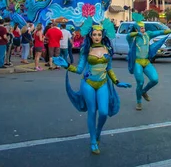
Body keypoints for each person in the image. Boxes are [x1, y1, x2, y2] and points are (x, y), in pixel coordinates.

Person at [52, 18, 131, 155]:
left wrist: (117, 82)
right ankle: (93, 140)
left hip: (102, 83)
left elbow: (109, 69)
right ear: (90, 35)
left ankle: (98, 133)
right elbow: (79, 69)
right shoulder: (85, 50)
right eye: (94, 34)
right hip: (88, 83)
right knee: (92, 111)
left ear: (103, 35)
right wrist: (66, 66)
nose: (96, 37)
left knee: (104, 112)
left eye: (99, 34)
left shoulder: (108, 48)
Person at [126, 16, 171, 111]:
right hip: (137, 62)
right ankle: (139, 101)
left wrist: (170, 31)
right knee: (140, 83)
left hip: (146, 61)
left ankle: (144, 91)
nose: (143, 29)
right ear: (136, 28)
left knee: (155, 79)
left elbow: (159, 32)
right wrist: (137, 33)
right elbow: (128, 36)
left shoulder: (147, 34)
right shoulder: (134, 38)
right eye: (141, 27)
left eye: (144, 27)